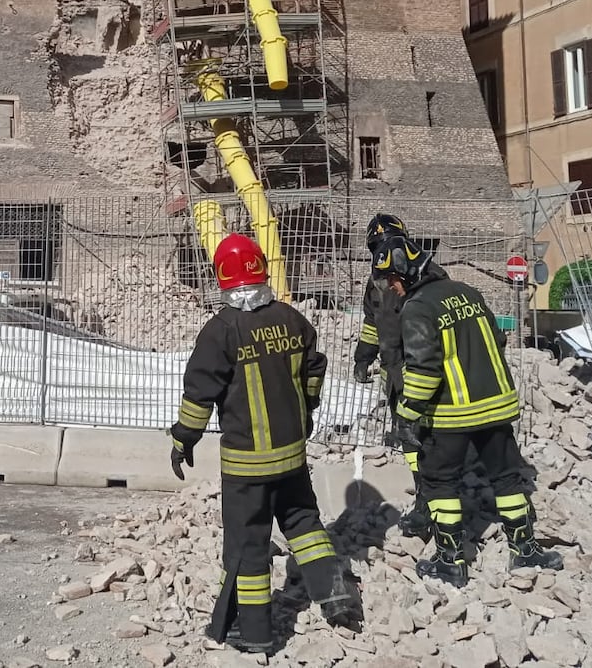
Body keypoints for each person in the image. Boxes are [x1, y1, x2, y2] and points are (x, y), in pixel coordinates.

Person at [170, 233, 353, 655]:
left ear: (221, 276)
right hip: (292, 456)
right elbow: (315, 369)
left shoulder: (221, 331)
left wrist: (183, 439)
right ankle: (337, 597)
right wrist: (306, 411)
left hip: (247, 467)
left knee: (248, 545)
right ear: (261, 268)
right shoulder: (291, 319)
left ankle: (253, 634)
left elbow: (199, 394)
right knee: (305, 524)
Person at [370, 234, 563, 587]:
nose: (391, 287)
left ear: (406, 272)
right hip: (498, 405)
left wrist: (408, 414)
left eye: (392, 279)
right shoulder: (467, 293)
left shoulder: (417, 308)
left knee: (440, 482)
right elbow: (498, 340)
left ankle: (451, 560)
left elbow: (425, 368)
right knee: (506, 477)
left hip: (452, 414)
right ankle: (525, 549)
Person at [352, 213, 428, 534]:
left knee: (429, 438)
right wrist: (362, 357)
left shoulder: (423, 275)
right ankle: (425, 494)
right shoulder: (375, 283)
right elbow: (372, 324)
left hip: (424, 371)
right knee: (410, 441)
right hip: (395, 374)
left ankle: (435, 500)